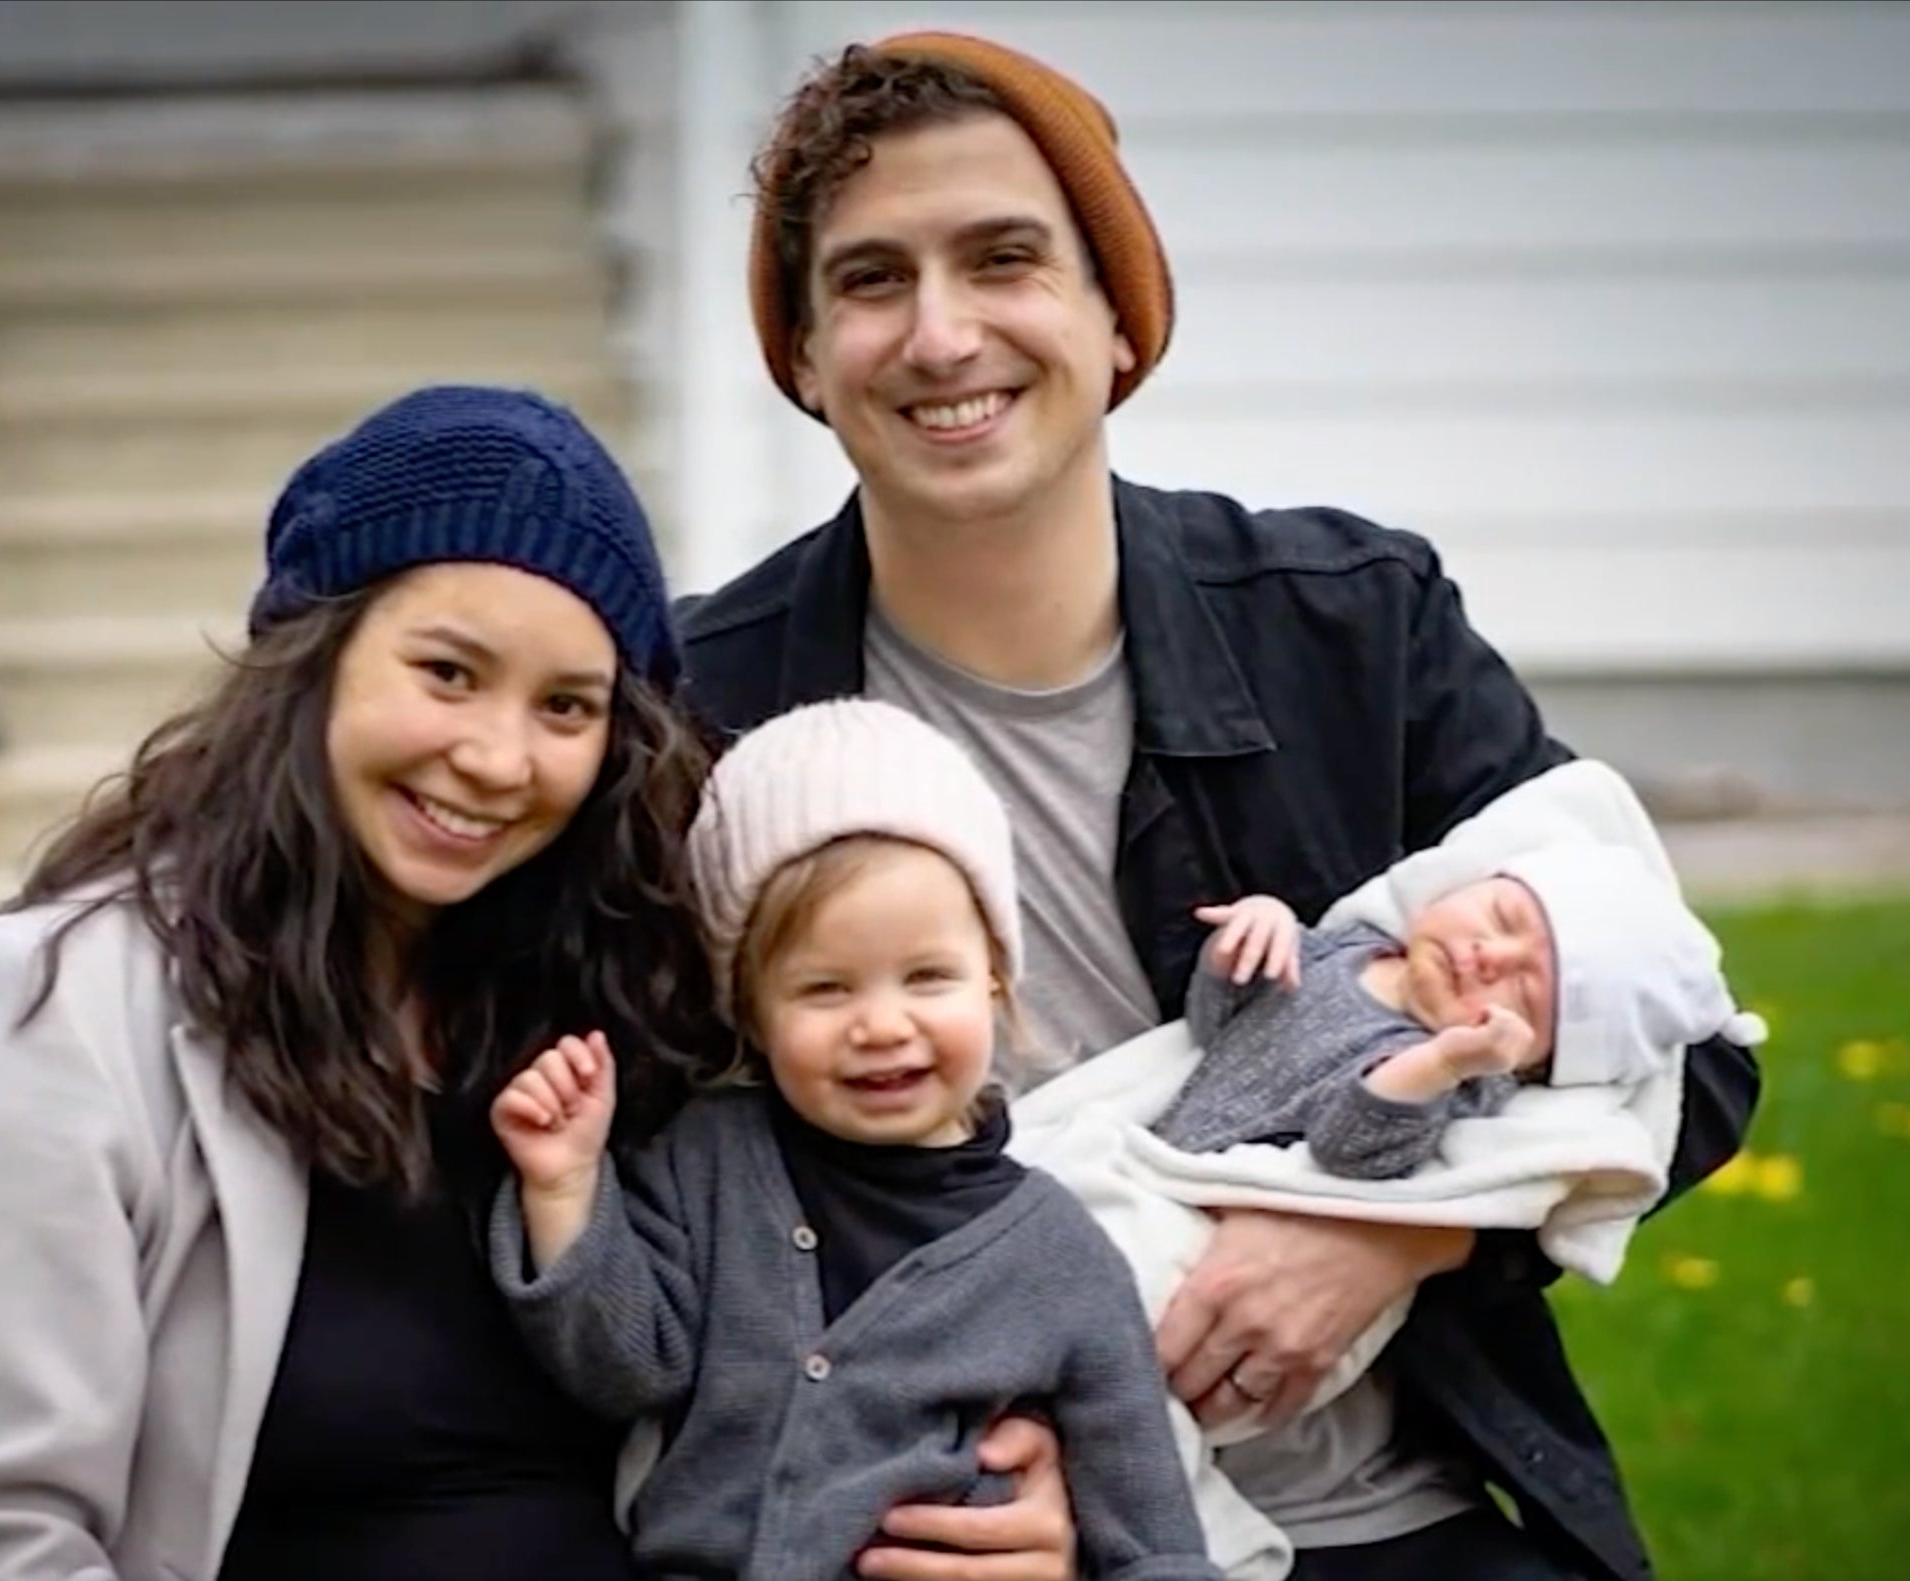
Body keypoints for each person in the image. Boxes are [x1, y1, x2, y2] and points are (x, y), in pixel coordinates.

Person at [673, 30, 1763, 1581]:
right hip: (939, 1510)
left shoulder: (1352, 625)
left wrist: (1398, 1227)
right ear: (797, 352)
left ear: (1120, 316)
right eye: (869, 280)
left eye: (1004, 260)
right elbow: (654, 1178)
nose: (940, 334)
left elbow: (1699, 1053)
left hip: (1393, 1515)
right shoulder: (702, 714)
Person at [0, 386, 1069, 1581]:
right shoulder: (55, 1011)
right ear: (313, 656)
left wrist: (1014, 1490)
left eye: (565, 707)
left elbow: (894, 1251)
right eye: (447, 672)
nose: (498, 761)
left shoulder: (621, 1003)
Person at [486, 696, 1221, 1581]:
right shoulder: (705, 1160)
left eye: (928, 976)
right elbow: (627, 1368)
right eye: (825, 988)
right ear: (751, 1009)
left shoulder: (1060, 1257)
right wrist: (566, 1191)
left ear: (993, 976)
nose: (882, 1024)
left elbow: (1152, 1538)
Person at [1155, 842, 1755, 1181]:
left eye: (1525, 991)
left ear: (1528, 1064)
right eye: (1501, 919)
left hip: (1212, 1209)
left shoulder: (1460, 1080)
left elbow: (1349, 1147)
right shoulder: (1349, 947)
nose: (1489, 956)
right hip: (1153, 1155)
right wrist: (1255, 935)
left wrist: (1442, 1062)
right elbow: (1215, 1023)